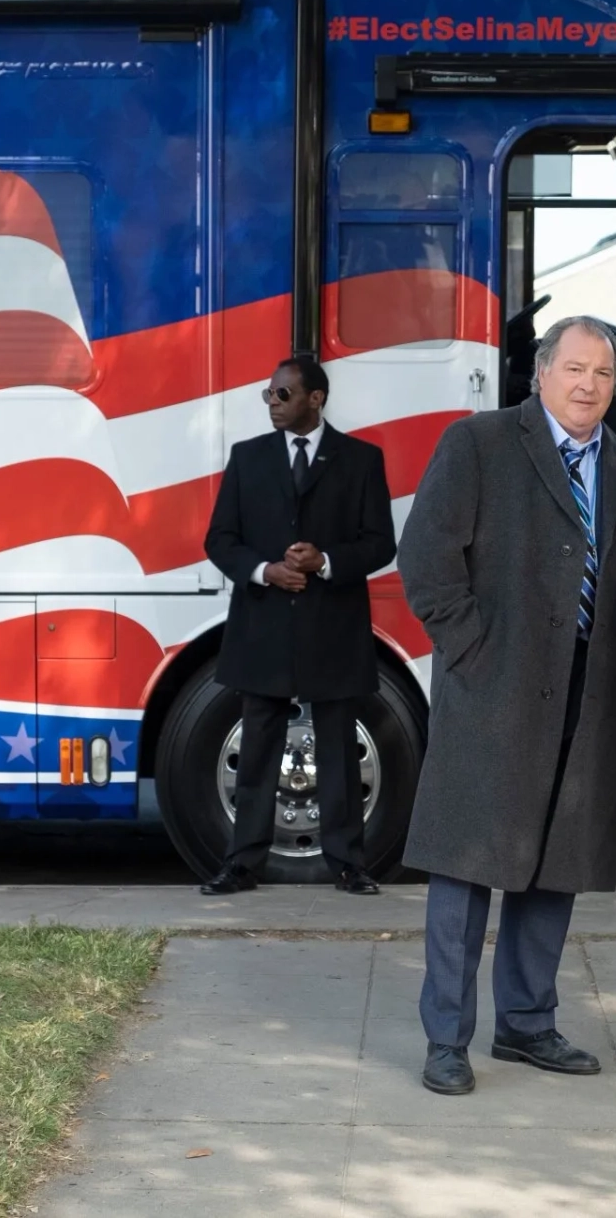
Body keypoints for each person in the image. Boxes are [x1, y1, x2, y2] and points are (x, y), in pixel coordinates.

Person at [397, 316, 616, 1096]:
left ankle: (527, 1025)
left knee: (558, 863)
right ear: (542, 373)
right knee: (466, 862)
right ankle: (447, 1039)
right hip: (494, 690)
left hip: (591, 697)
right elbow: (426, 559)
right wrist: (474, 652)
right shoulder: (478, 445)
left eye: (604, 375)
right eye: (575, 369)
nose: (588, 385)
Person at [200, 355, 397, 896]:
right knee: (258, 749)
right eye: (268, 395)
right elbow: (220, 540)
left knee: (337, 748)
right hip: (263, 628)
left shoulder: (360, 460)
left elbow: (381, 543)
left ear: (316, 398)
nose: (273, 405)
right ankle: (241, 864)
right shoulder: (247, 459)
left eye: (283, 395)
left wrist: (325, 561)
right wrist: (267, 571)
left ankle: (348, 865)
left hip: (333, 629)